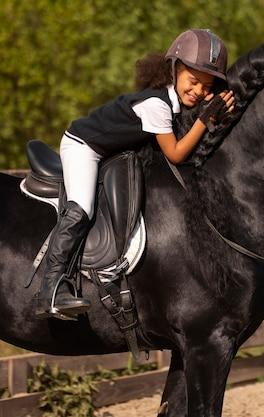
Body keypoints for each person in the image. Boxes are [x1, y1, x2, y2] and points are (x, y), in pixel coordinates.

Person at [34, 29, 235, 320]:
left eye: (207, 87)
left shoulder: (173, 103)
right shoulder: (156, 105)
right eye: (193, 81)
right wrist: (205, 120)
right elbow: (176, 153)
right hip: (83, 145)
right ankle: (49, 289)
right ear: (175, 69)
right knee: (81, 208)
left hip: (106, 150)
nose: (199, 92)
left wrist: (212, 115)